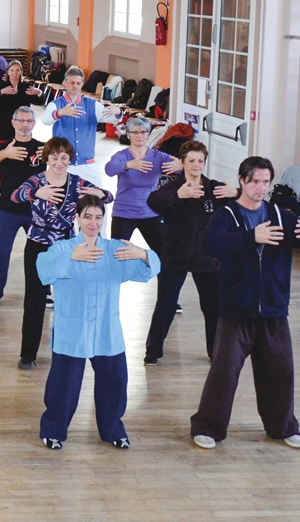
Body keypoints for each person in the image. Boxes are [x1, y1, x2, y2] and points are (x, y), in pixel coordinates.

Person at [191, 156, 300, 450]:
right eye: (254, 182)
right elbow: (212, 244)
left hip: (274, 310)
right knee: (224, 372)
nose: (260, 188)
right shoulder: (226, 215)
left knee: (281, 371)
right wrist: (251, 237)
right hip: (236, 309)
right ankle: (208, 427)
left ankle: (282, 427)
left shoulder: (282, 216)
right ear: (242, 180)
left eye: (265, 182)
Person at [36, 194, 160, 450]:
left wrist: (143, 254)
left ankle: (113, 430)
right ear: (77, 218)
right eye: (88, 217)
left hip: (106, 329)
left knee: (115, 382)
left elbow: (148, 270)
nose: (93, 223)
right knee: (64, 385)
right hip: (73, 329)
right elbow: (42, 268)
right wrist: (72, 257)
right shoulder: (63, 248)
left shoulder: (114, 249)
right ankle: (54, 431)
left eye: (98, 217)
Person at [12, 137, 113, 370]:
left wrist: (99, 192)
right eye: (54, 157)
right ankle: (28, 354)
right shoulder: (37, 181)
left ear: (70, 160)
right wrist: (36, 194)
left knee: (69, 299)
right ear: (47, 158)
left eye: (64, 158)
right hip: (38, 245)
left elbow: (108, 197)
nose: (59, 162)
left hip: (68, 248)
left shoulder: (77, 183)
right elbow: (15, 196)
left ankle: (68, 350)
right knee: (35, 299)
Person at [144, 140, 238, 365]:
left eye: (200, 161)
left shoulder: (215, 188)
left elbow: (250, 201)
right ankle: (153, 351)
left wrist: (237, 192)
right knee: (166, 304)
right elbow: (152, 201)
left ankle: (215, 352)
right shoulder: (172, 187)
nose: (196, 165)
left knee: (213, 307)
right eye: (192, 160)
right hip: (175, 256)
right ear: (183, 162)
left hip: (208, 258)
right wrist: (178, 195)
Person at [0, 106, 44, 307]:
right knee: (1, 252)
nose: (25, 125)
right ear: (13, 122)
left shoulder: (42, 148)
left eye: (29, 121)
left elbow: (65, 159)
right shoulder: (4, 146)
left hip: (36, 210)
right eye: (21, 120)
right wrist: (6, 153)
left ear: (34, 123)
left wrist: (50, 156)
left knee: (41, 253)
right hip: (8, 209)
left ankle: (44, 292)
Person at [104, 116, 181, 251]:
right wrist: (129, 164)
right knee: (116, 253)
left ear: (148, 135)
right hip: (124, 212)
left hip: (150, 211)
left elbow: (183, 168)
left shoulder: (158, 156)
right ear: (128, 135)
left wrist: (180, 165)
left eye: (144, 132)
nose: (140, 136)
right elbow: (109, 170)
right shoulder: (121, 156)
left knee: (164, 252)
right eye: (135, 132)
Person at [41, 66, 123, 187]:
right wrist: (60, 112)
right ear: (65, 83)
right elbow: (45, 120)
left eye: (78, 83)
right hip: (64, 164)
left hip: (87, 163)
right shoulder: (56, 104)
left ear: (82, 84)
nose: (75, 86)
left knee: (98, 195)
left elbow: (112, 118)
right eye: (72, 83)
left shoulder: (92, 104)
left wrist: (118, 112)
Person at [0, 60, 41, 193]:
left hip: (22, 129)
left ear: (21, 72)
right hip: (4, 127)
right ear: (8, 72)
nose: (15, 73)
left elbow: (39, 101)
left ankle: (20, 180)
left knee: (21, 154)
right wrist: (1, 92)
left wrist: (39, 92)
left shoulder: (25, 87)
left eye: (17, 70)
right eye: (12, 70)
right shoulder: (2, 86)